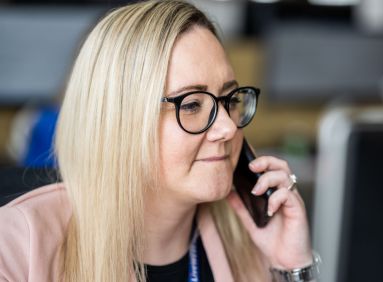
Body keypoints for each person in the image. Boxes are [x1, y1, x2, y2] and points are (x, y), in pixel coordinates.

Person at [0, 1, 318, 281]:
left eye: (229, 99)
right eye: (192, 104)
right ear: (119, 120)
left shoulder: (250, 239)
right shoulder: (18, 247)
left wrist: (291, 268)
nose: (227, 128)